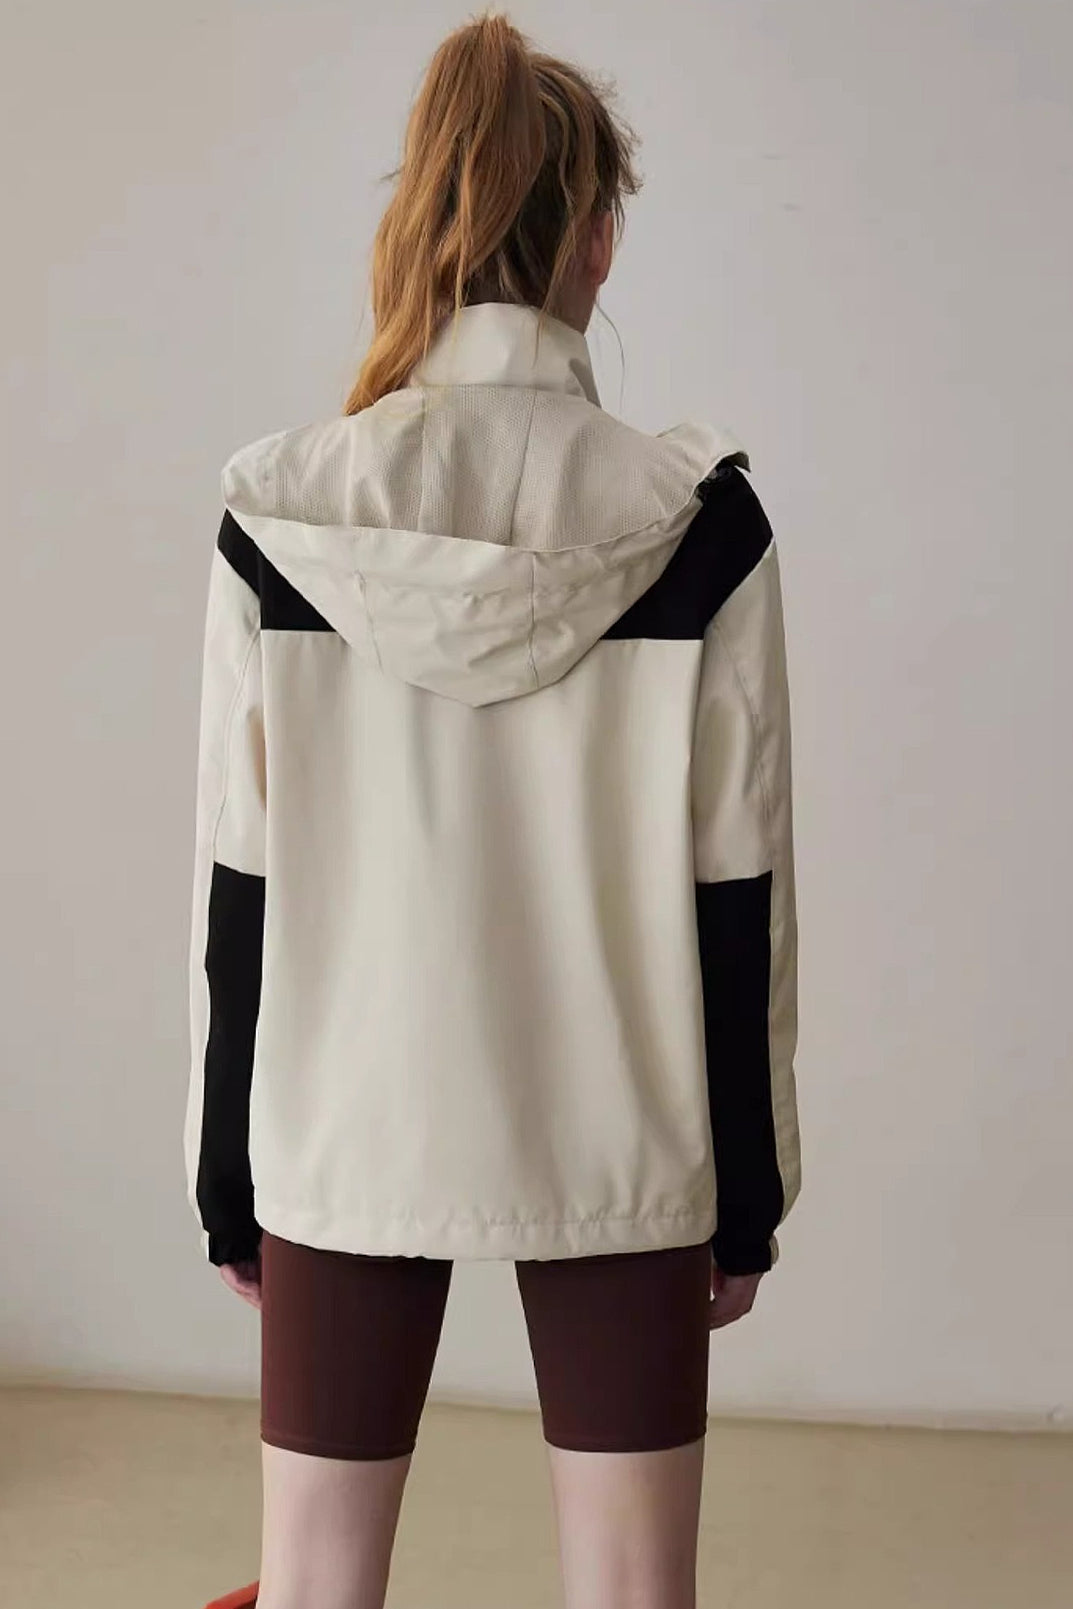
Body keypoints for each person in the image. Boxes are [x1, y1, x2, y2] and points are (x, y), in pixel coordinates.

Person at [186, 12, 801, 1609]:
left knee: (314, 1591)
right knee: (633, 1594)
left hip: (341, 1115)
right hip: (622, 1122)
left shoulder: (282, 514)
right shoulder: (698, 524)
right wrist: (742, 1194)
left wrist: (227, 1173)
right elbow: (736, 895)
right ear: (596, 242)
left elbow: (240, 886)